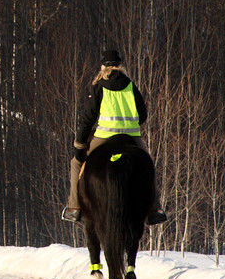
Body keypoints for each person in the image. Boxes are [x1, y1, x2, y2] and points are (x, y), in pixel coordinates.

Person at [62, 49, 168, 225]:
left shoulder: (99, 86)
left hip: (104, 136)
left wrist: (80, 143)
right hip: (131, 136)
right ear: (120, 67)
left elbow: (88, 118)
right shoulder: (130, 85)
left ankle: (74, 208)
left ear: (103, 66)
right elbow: (143, 115)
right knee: (148, 164)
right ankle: (154, 209)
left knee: (76, 163)